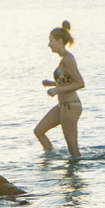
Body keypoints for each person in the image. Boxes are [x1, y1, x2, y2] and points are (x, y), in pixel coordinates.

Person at [34, 21, 84, 159]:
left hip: (71, 106)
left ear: (59, 41)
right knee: (39, 131)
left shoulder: (68, 59)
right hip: (62, 106)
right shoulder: (63, 60)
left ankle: (75, 178)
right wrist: (52, 83)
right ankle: (50, 157)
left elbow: (80, 83)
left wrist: (56, 90)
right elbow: (68, 80)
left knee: (73, 151)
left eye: (51, 41)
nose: (49, 44)